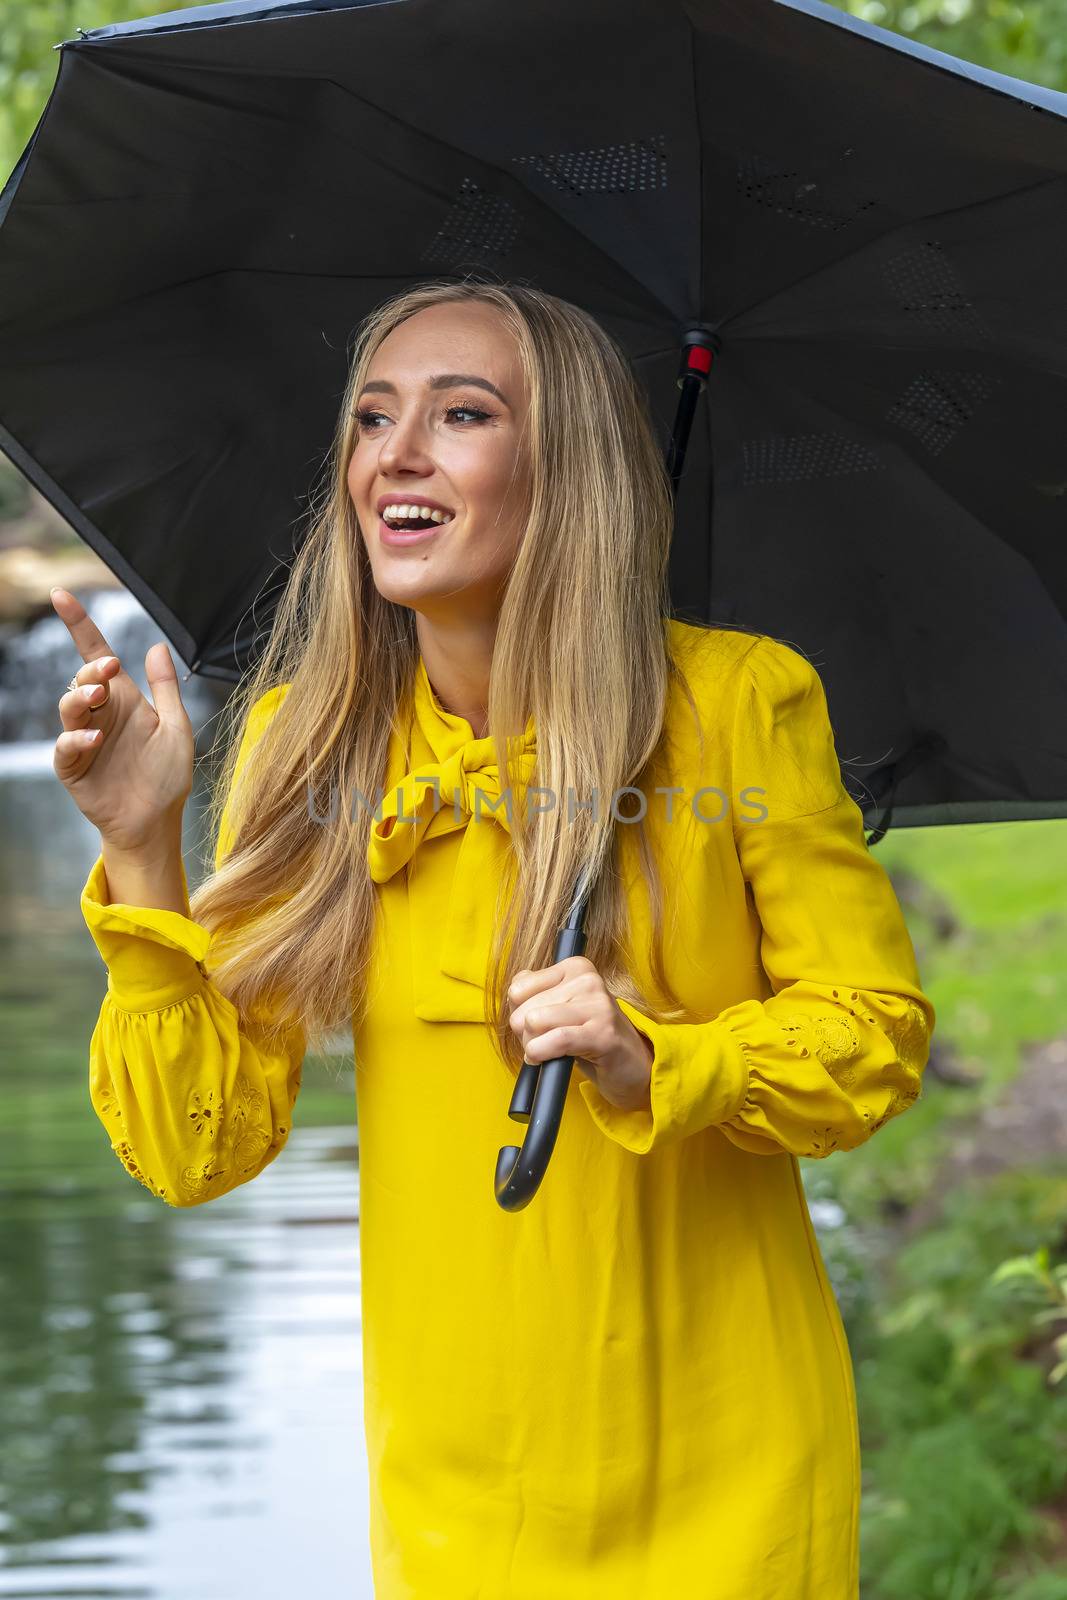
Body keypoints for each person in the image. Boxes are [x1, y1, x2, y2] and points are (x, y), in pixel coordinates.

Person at [52, 280, 935, 1600]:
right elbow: (197, 1148)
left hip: (726, 1467)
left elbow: (874, 1041)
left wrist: (660, 1060)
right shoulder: (312, 743)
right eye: (371, 417)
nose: (395, 455)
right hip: (453, 1499)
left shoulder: (735, 708)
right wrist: (141, 850)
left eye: (461, 415)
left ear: (565, 465)